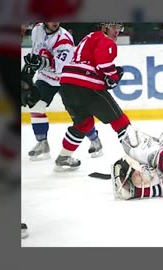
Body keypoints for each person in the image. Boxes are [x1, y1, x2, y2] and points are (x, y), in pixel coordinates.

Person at [54, 22, 134, 171]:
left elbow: (94, 62)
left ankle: (63, 157)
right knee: (119, 120)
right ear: (104, 27)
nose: (117, 31)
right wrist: (114, 76)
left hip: (67, 85)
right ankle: (138, 156)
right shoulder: (105, 40)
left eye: (119, 28)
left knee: (83, 124)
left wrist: (108, 76)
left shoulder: (88, 38)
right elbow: (103, 64)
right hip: (87, 86)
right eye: (114, 27)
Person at [23, 22, 103, 161]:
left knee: (78, 114)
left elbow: (60, 67)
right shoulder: (37, 29)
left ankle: (95, 140)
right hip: (46, 78)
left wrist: (40, 62)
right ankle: (42, 143)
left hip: (65, 78)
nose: (55, 22)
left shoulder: (64, 39)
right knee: (36, 106)